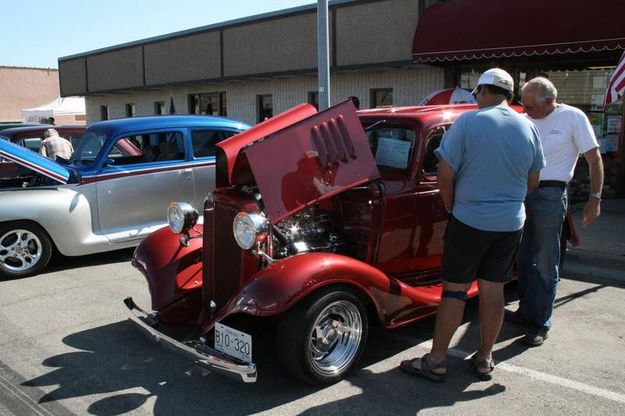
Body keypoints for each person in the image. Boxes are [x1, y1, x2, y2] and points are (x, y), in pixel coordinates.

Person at [399, 68, 545, 382]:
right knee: (494, 290)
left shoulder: (468, 121)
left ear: (482, 90)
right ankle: (484, 358)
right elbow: (534, 181)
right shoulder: (528, 126)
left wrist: (452, 206)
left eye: (477, 92)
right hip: (509, 223)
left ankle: (436, 361)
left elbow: (444, 175)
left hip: (469, 220)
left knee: (454, 291)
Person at [507, 77, 604, 347]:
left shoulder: (573, 117)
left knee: (546, 261)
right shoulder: (526, 117)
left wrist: (595, 198)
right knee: (524, 258)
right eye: (523, 105)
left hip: (550, 194)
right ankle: (526, 311)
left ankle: (541, 321)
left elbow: (594, 158)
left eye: (530, 107)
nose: (525, 111)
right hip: (521, 191)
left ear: (549, 101)